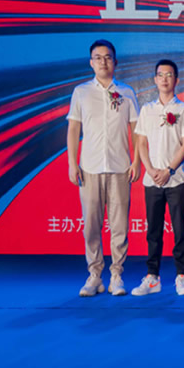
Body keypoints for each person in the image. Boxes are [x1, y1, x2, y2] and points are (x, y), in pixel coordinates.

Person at [66, 39, 140, 297]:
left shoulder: (127, 92)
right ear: (91, 63)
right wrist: (72, 163)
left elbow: (136, 130)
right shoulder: (81, 92)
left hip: (120, 167)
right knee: (91, 225)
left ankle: (116, 275)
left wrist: (137, 160)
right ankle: (95, 275)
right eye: (98, 58)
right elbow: (73, 128)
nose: (103, 62)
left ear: (115, 62)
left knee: (119, 225)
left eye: (107, 57)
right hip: (90, 167)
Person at [131, 59, 184, 296]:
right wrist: (149, 169)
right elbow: (140, 142)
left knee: (179, 229)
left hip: (176, 179)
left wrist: (168, 170)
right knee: (153, 231)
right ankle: (152, 277)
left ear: (176, 80)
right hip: (152, 180)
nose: (165, 79)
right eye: (161, 75)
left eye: (169, 75)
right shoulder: (147, 110)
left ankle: (182, 276)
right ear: (155, 80)